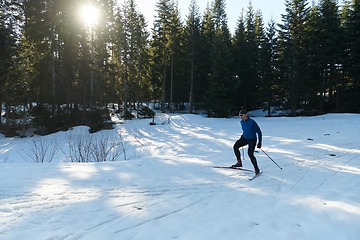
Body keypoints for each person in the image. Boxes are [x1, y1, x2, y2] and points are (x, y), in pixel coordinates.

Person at [232, 109, 262, 175]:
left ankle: (256, 169)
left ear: (246, 115)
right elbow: (246, 129)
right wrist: (243, 135)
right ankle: (239, 163)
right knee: (235, 146)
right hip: (245, 138)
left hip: (252, 140)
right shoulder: (241, 122)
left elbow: (259, 132)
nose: (240, 117)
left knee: (250, 154)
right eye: (239, 115)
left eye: (242, 115)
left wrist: (260, 142)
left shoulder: (252, 122)